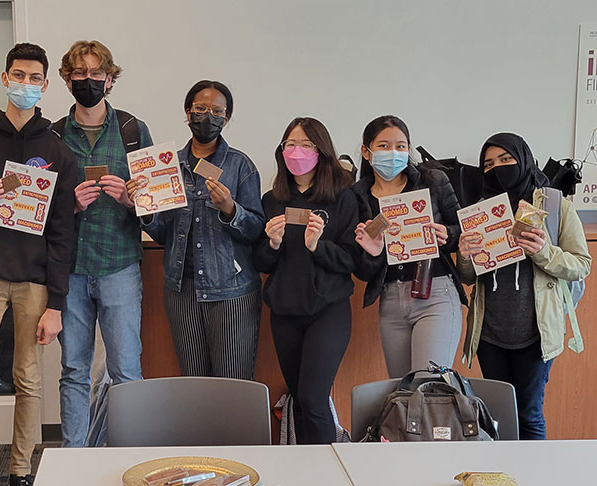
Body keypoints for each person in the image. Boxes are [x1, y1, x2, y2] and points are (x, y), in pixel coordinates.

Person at [0, 43, 76, 486]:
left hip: (34, 282)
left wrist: (56, 302)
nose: (25, 84)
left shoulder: (60, 155)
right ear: (5, 78)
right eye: (18, 75)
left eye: (34, 78)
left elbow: (64, 234)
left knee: (28, 379)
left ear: (45, 86)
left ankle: (21, 471)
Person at [51, 40, 153, 448]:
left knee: (126, 370)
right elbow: (38, 207)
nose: (88, 81)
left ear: (110, 79)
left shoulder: (132, 130)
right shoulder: (53, 134)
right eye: (80, 74)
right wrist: (69, 206)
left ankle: (133, 454)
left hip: (120, 264)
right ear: (67, 78)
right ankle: (74, 459)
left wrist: (132, 200)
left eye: (97, 74)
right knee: (73, 370)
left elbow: (155, 200)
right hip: (70, 268)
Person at [458, 133, 591, 440]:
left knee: (529, 414)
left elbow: (581, 264)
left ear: (524, 159)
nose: (497, 168)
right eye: (488, 164)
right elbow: (468, 276)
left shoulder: (555, 206)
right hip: (490, 333)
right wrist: (464, 255)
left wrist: (543, 251)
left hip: (535, 333)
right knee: (496, 417)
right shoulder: (480, 209)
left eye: (506, 160)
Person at [133, 80, 264, 379]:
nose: (208, 116)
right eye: (201, 109)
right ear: (187, 112)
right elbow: (165, 234)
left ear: (227, 117)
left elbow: (256, 230)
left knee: (233, 382)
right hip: (181, 289)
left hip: (230, 291)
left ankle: (232, 430)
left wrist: (231, 209)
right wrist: (144, 210)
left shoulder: (240, 166)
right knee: (194, 381)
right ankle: (200, 429)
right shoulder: (168, 167)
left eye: (217, 111)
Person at [253, 117, 358, 444]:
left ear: (322, 151)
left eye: (306, 145)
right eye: (290, 145)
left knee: (314, 399)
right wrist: (272, 244)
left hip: (328, 311)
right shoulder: (272, 199)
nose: (297, 151)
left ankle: (328, 470)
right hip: (285, 312)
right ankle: (305, 471)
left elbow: (352, 260)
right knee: (299, 400)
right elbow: (261, 262)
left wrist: (317, 247)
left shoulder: (343, 197)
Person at [352, 115, 466, 378]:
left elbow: (463, 229)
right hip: (391, 298)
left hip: (435, 292)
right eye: (383, 146)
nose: (393, 152)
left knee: (429, 385)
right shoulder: (357, 196)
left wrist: (445, 235)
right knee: (402, 391)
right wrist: (372, 253)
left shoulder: (433, 180)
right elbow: (363, 270)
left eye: (401, 146)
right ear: (366, 152)